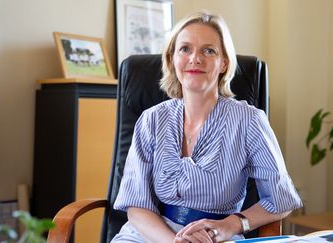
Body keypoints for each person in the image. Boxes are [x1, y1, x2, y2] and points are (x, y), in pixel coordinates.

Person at [112, 11, 302, 243]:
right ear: (172, 58)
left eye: (208, 50)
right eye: (185, 49)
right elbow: (136, 206)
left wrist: (231, 225)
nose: (195, 58)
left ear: (224, 62)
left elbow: (281, 200)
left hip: (216, 236)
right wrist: (173, 242)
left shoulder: (249, 121)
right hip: (151, 235)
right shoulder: (151, 120)